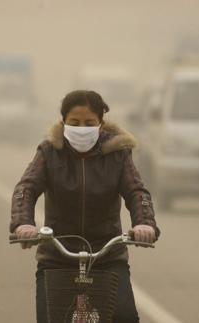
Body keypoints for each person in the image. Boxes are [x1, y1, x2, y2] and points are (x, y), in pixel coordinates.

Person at [9, 90, 160, 323]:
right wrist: (23, 223)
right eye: (75, 122)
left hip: (107, 256)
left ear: (101, 124)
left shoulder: (117, 154)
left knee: (125, 316)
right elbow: (25, 189)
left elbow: (137, 192)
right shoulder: (49, 152)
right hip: (56, 256)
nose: (82, 128)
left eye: (89, 123)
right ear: (63, 122)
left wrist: (144, 224)